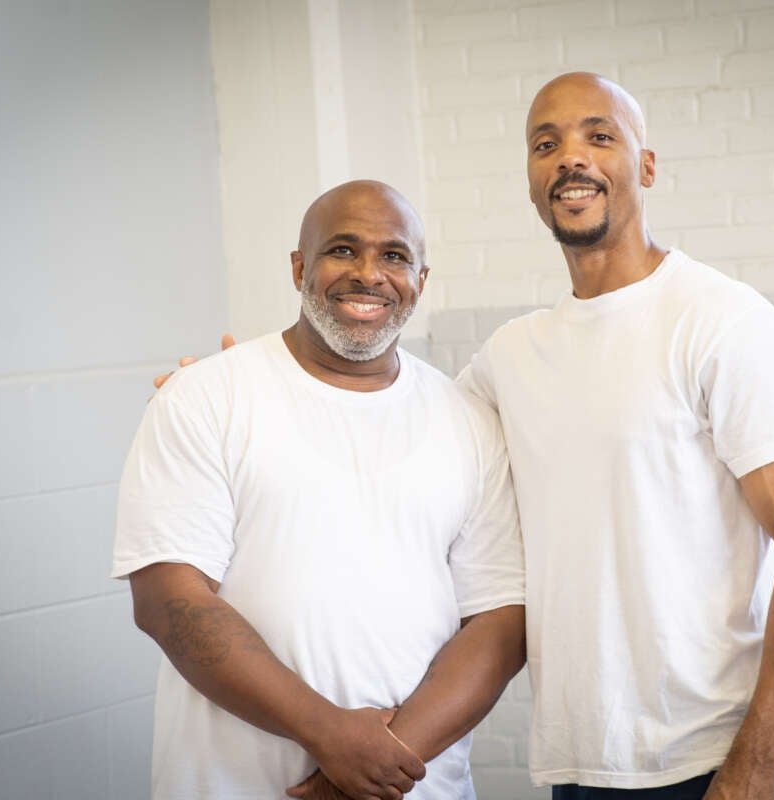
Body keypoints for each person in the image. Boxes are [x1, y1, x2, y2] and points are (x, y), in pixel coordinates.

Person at [163, 73, 774, 800]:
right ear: (531, 183)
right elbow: (379, 419)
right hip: (580, 767)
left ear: (645, 166)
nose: (570, 158)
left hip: (717, 761)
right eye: (545, 144)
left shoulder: (720, 321)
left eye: (600, 136)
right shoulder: (509, 358)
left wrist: (756, 761)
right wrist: (243, 385)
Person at [114, 180, 526, 800]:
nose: (369, 275)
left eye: (394, 256)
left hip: (416, 787)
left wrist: (379, 764)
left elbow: (501, 619)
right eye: (342, 250)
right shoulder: (205, 398)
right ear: (299, 267)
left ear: (421, 277)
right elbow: (169, 603)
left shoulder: (467, 418)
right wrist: (331, 736)